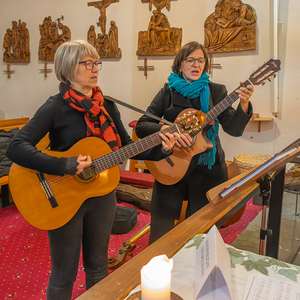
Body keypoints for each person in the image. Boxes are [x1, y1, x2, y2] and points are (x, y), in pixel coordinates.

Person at [6, 40, 179, 300]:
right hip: (61, 198)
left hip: (102, 196)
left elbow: (128, 147)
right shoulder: (56, 106)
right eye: (87, 63)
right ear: (67, 68)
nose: (94, 68)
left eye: (96, 63)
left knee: (98, 266)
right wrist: (65, 165)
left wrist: (163, 148)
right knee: (63, 274)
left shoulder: (107, 106)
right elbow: (16, 147)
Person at [135, 41, 254, 244]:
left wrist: (244, 103)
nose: (195, 65)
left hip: (207, 170)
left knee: (201, 236)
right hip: (171, 165)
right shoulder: (168, 92)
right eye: (190, 60)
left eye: (200, 61)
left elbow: (233, 129)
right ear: (180, 64)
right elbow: (142, 125)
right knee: (160, 233)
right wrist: (166, 130)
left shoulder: (217, 92)